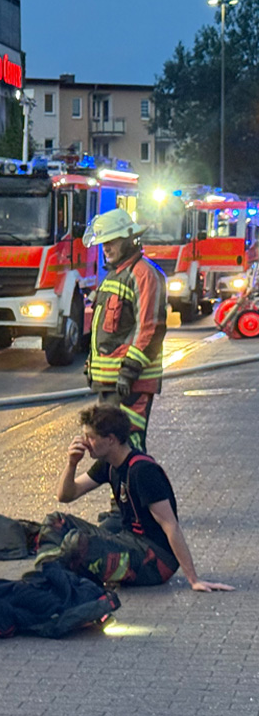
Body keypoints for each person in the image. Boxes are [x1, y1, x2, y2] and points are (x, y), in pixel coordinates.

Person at [35, 403, 233, 592]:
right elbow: (66, 495)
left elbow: (170, 525)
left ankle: (59, 578)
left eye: (90, 437)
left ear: (111, 439)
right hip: (128, 540)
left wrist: (193, 579)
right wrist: (72, 464)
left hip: (155, 560)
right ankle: (50, 575)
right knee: (56, 521)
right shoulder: (108, 464)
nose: (85, 443)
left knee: (79, 544)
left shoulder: (143, 471)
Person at [83, 208, 167, 453]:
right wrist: (92, 365)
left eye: (112, 242)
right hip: (110, 384)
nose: (106, 248)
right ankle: (120, 492)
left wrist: (130, 371)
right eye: (103, 243)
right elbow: (105, 332)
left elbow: (151, 329)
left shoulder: (144, 274)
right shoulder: (113, 276)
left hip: (131, 386)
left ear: (130, 239)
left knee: (130, 449)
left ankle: (138, 492)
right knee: (108, 451)